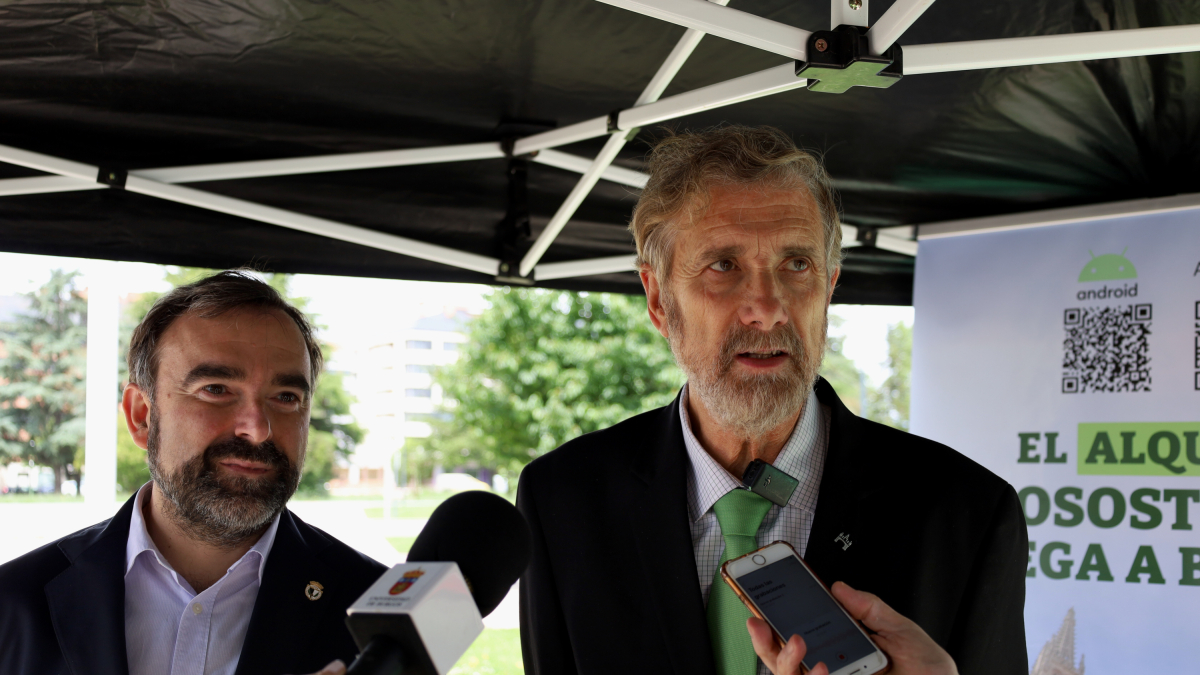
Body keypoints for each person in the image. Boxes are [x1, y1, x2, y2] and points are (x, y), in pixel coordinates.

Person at [517, 126, 1028, 675]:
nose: (767, 308)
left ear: (829, 286)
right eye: (723, 266)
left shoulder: (965, 513)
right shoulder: (563, 503)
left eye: (797, 265)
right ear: (660, 300)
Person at [0, 271, 386, 675]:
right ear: (141, 416)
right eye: (216, 389)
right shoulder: (15, 604)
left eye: (286, 397)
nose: (257, 429)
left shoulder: (374, 611)